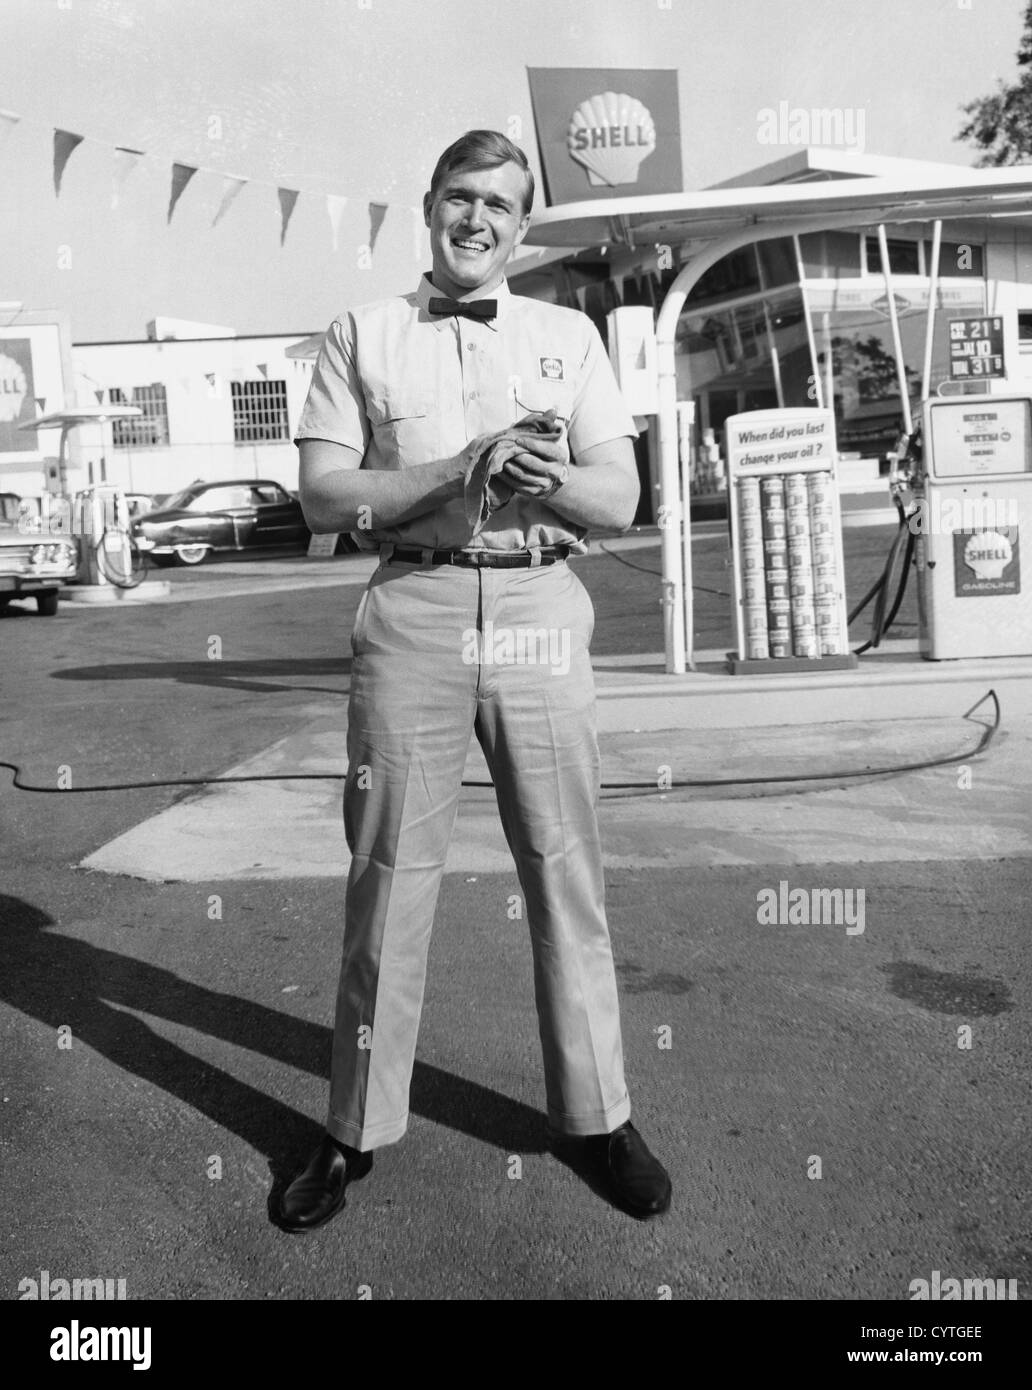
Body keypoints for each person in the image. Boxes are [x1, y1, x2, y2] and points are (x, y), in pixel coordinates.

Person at [279, 130, 671, 1231]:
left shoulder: (565, 332)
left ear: (524, 225)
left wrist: (549, 480)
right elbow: (324, 500)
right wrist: (453, 470)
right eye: (462, 198)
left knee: (564, 863)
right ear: (430, 205)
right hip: (416, 605)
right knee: (388, 871)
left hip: (542, 604)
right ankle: (352, 1132)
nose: (479, 221)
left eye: (501, 205)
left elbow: (621, 501)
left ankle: (597, 1117)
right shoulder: (364, 332)